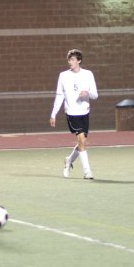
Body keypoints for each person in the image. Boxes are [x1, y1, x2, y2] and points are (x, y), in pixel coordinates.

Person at [49, 48, 98, 179]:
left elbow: (95, 95)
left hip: (85, 112)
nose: (69, 62)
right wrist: (53, 114)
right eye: (69, 59)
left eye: (72, 59)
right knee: (81, 140)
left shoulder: (88, 74)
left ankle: (69, 160)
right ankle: (87, 172)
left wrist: (87, 93)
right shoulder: (63, 76)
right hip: (72, 113)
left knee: (82, 142)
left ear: (79, 61)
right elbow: (59, 96)